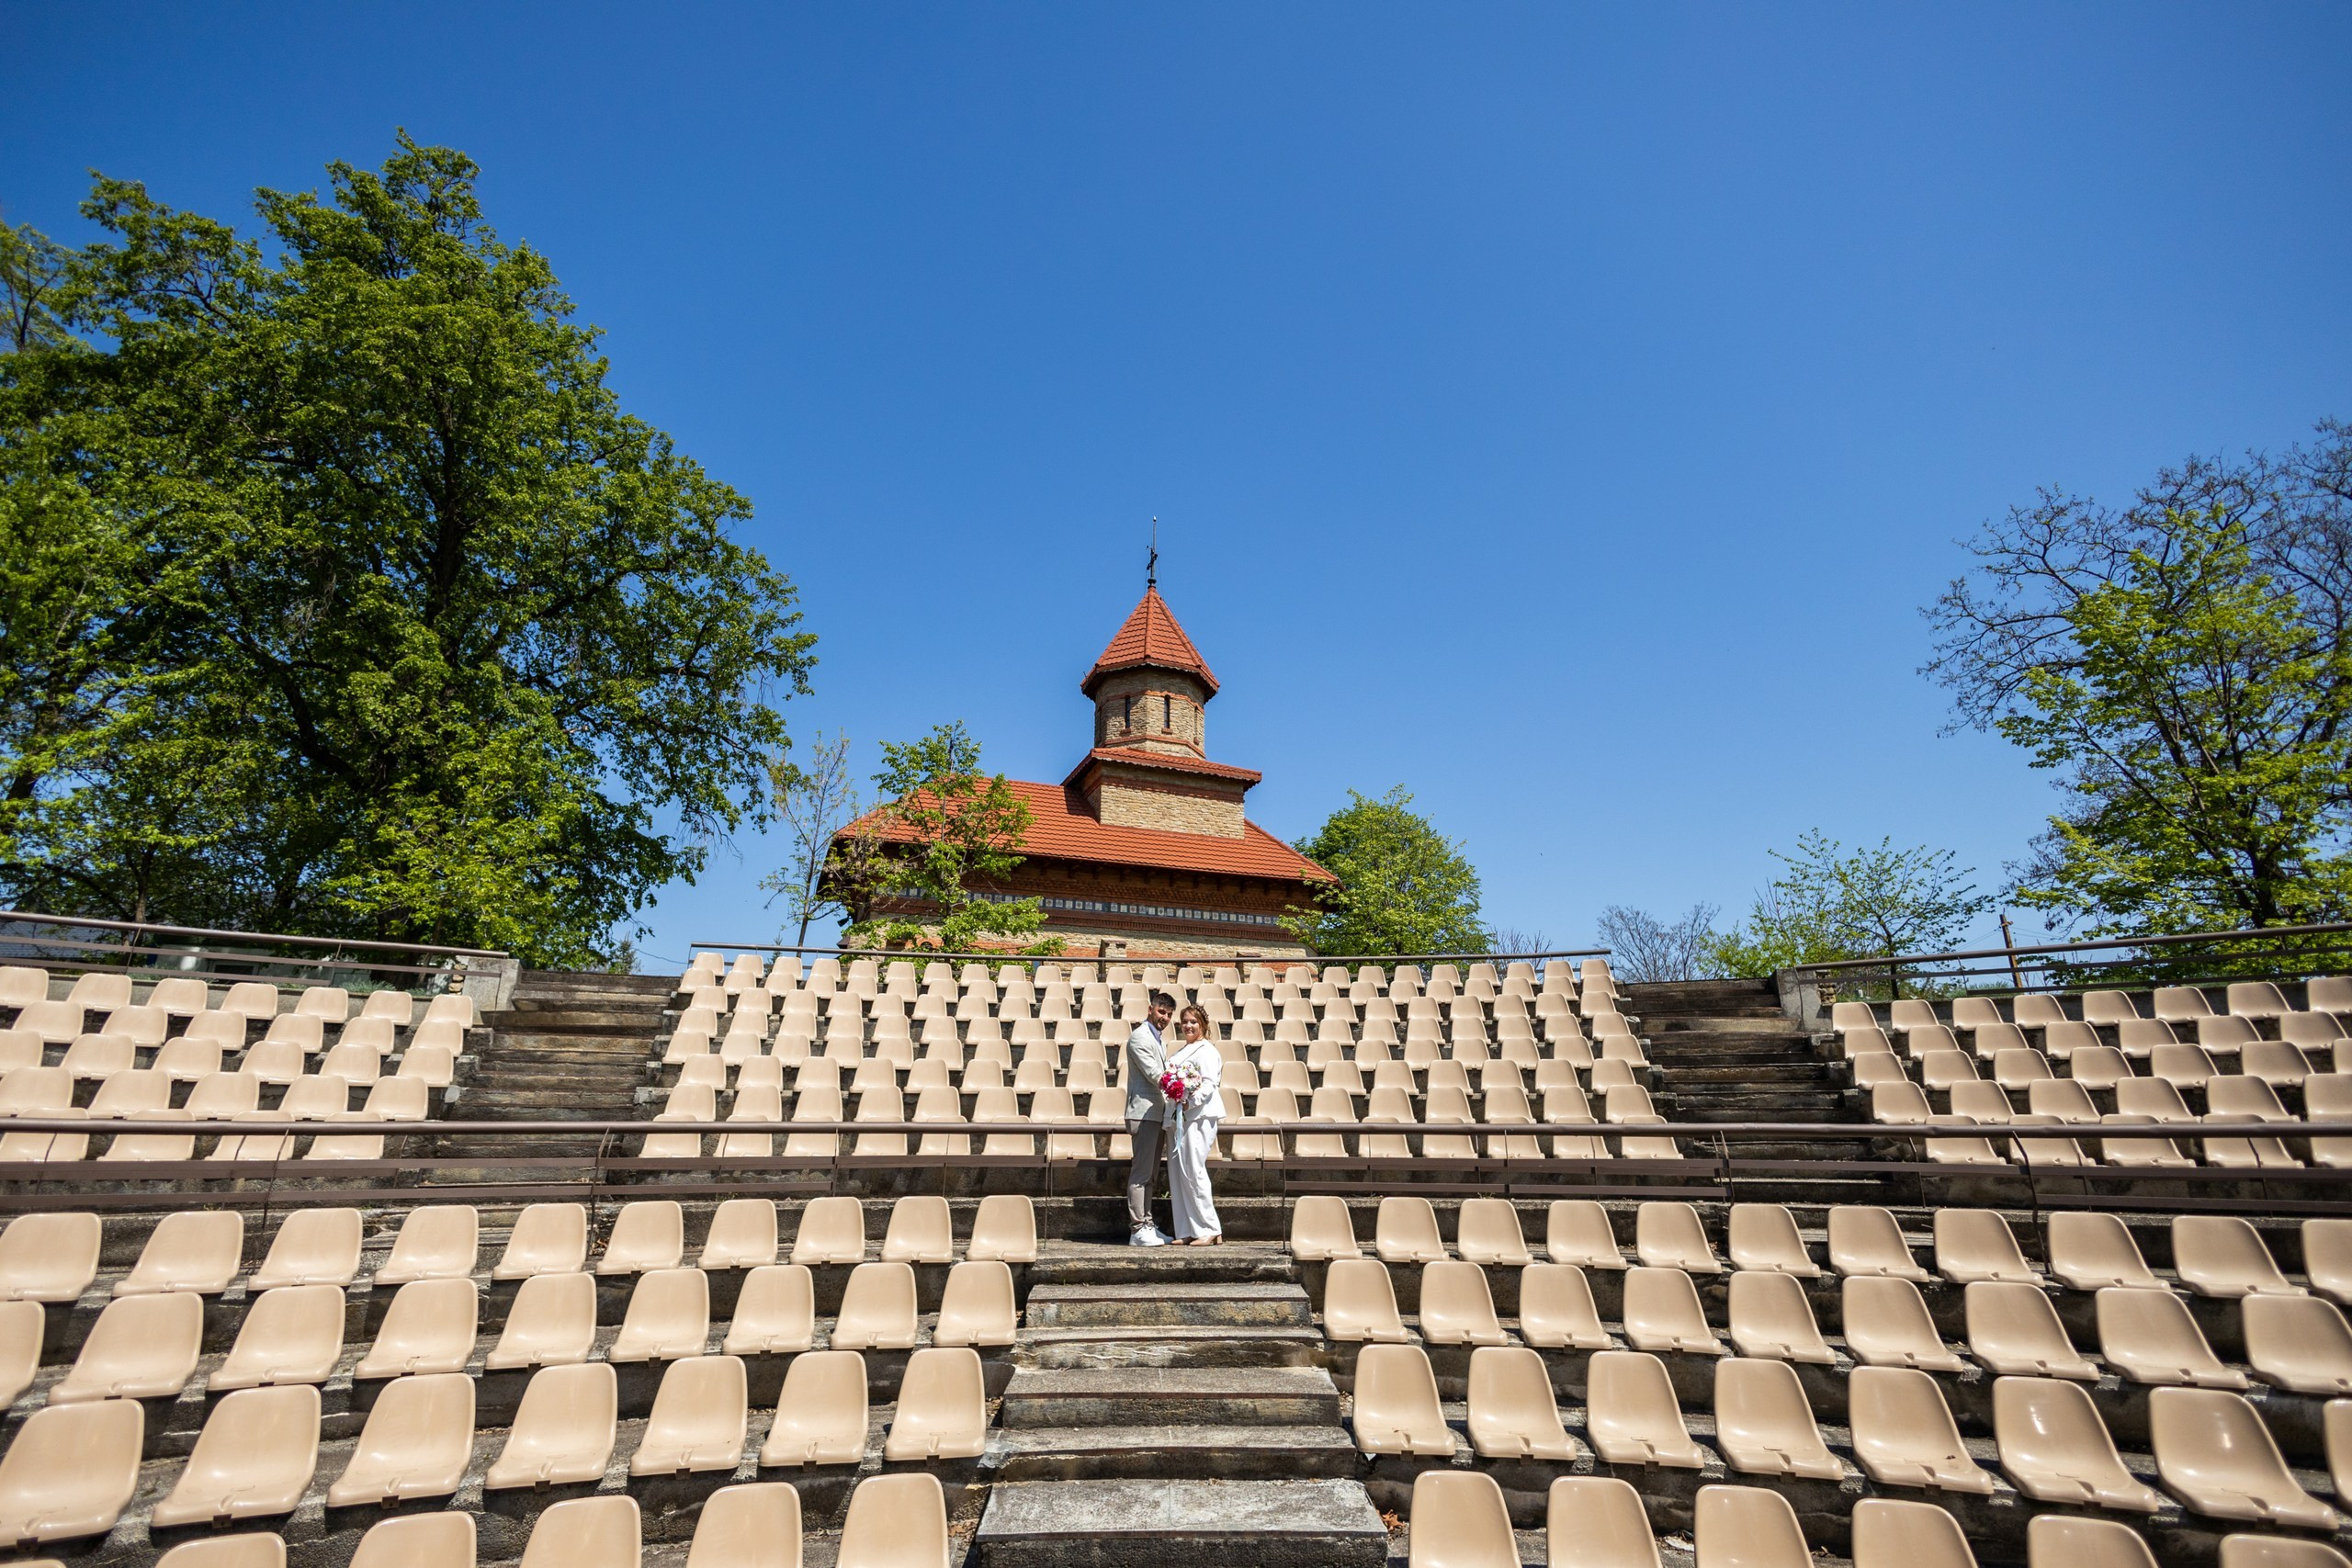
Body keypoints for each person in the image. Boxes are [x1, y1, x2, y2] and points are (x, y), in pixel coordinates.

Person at [1162, 1003, 1226, 1245]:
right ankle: (1187, 1229)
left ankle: (1210, 1228)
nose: (1188, 1026)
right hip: (1178, 1116)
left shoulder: (1207, 1051)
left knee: (1193, 1171)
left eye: (1193, 1022)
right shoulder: (1179, 1052)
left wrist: (1191, 1101)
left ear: (1203, 1025)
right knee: (1178, 1174)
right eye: (1185, 1021)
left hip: (1198, 1116)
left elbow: (1209, 1084)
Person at [1123, 990, 1178, 1247]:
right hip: (1143, 1113)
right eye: (1161, 1011)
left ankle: (1147, 1223)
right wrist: (1180, 1087)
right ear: (1150, 1009)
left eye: (1168, 1014)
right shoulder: (1140, 1038)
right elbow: (1155, 1074)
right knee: (1142, 1173)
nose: (1164, 1017)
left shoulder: (1158, 1039)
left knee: (1151, 1174)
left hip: (1155, 1114)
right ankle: (1137, 1229)